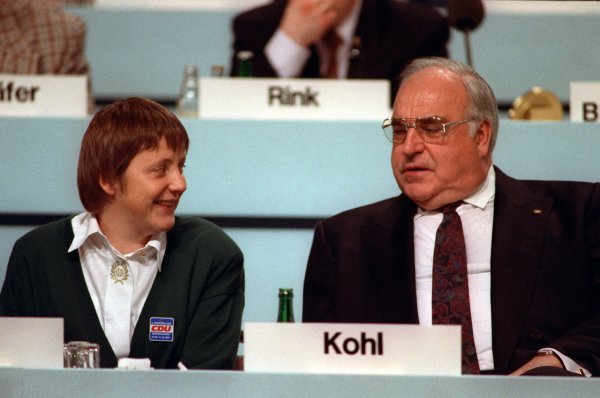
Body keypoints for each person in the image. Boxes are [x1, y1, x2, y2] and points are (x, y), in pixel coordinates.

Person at [302, 57, 600, 376]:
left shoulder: (578, 213)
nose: (409, 146)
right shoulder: (344, 240)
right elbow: (320, 360)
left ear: (481, 135)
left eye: (432, 128)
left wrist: (553, 362)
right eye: (400, 130)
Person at [0, 97, 245, 370]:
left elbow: (204, 384)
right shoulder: (35, 256)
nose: (180, 183)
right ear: (108, 179)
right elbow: (13, 377)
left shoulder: (211, 256)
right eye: (160, 170)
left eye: (180, 167)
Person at [230, 0, 449, 102]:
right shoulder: (255, 27)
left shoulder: (416, 29)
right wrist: (291, 42)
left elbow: (425, 112)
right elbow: (237, 108)